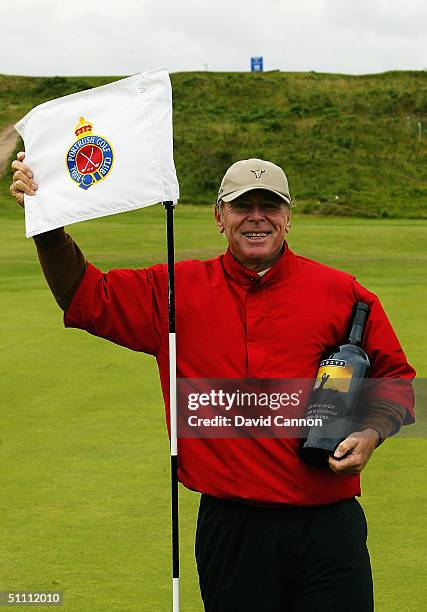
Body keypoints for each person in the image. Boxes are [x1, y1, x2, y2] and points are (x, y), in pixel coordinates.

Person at [10, 154, 415, 611]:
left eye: (270, 206)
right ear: (219, 217)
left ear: (288, 217)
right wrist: (46, 222)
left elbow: (396, 380)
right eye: (243, 206)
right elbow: (86, 296)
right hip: (233, 527)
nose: (257, 217)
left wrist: (369, 432)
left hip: (328, 527)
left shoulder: (343, 292)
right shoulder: (174, 291)